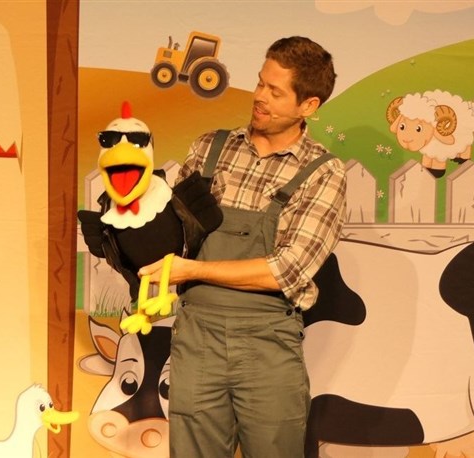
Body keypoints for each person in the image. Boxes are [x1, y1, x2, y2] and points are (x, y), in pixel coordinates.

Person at [140, 36, 347, 457]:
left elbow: (286, 270)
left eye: (276, 92)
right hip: (197, 338)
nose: (260, 97)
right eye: (260, 83)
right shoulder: (209, 149)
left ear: (308, 105)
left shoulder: (322, 173)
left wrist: (192, 271)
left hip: (267, 344)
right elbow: (174, 235)